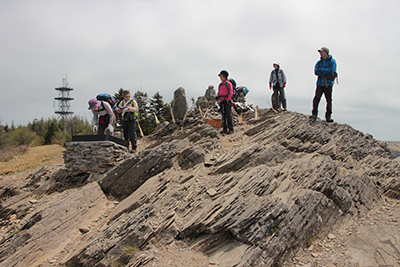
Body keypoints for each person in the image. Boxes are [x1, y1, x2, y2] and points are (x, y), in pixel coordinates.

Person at [310, 47, 337, 122]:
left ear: (326, 52)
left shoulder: (332, 61)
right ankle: (314, 114)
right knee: (316, 98)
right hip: (320, 83)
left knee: (328, 100)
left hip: (328, 83)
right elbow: (315, 71)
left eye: (321, 52)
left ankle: (328, 117)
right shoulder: (319, 62)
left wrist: (321, 70)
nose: (320, 53)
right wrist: (325, 71)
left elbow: (331, 71)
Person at [217, 70, 234, 135]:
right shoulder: (220, 85)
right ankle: (224, 129)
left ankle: (231, 129)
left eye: (222, 76)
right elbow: (219, 92)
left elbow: (231, 92)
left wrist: (227, 100)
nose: (220, 78)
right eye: (220, 76)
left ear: (225, 77)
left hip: (227, 101)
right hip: (222, 101)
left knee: (228, 115)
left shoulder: (228, 84)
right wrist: (217, 96)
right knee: (223, 115)